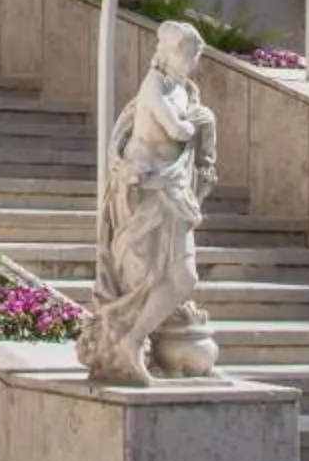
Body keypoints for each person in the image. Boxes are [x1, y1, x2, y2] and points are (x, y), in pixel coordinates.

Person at [76, 20, 218, 385]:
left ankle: (132, 339)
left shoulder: (184, 90)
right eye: (187, 55)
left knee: (184, 276)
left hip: (174, 192)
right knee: (141, 278)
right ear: (168, 54)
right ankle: (130, 343)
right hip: (144, 193)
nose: (192, 63)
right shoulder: (153, 85)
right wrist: (202, 119)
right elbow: (177, 130)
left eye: (195, 57)